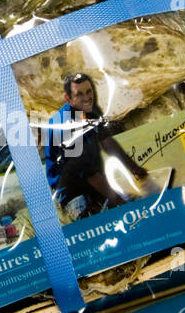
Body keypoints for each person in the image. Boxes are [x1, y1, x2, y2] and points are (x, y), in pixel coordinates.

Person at [44, 72, 148, 221]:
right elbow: (88, 173)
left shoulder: (89, 110)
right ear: (68, 98)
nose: (86, 98)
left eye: (89, 91)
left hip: (94, 182)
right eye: (79, 94)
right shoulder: (65, 127)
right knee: (103, 221)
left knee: (138, 203)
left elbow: (108, 143)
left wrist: (134, 168)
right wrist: (121, 202)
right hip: (73, 194)